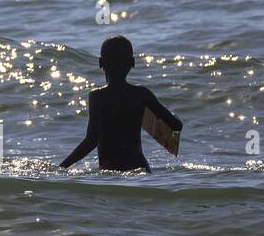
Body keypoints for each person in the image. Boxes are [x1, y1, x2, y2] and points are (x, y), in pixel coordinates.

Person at [60, 35, 183, 172]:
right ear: (132, 63)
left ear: (101, 63)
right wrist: (175, 116)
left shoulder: (98, 97)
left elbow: (91, 141)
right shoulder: (141, 94)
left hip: (111, 169)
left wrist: (62, 168)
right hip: (140, 169)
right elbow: (176, 126)